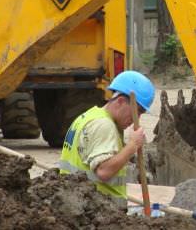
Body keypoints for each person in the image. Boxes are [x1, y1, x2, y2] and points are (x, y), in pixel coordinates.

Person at [58, 71, 155, 209]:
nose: (136, 119)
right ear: (120, 101)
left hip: (80, 203)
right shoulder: (104, 125)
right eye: (137, 111)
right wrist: (132, 146)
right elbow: (104, 172)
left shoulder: (91, 116)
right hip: (96, 211)